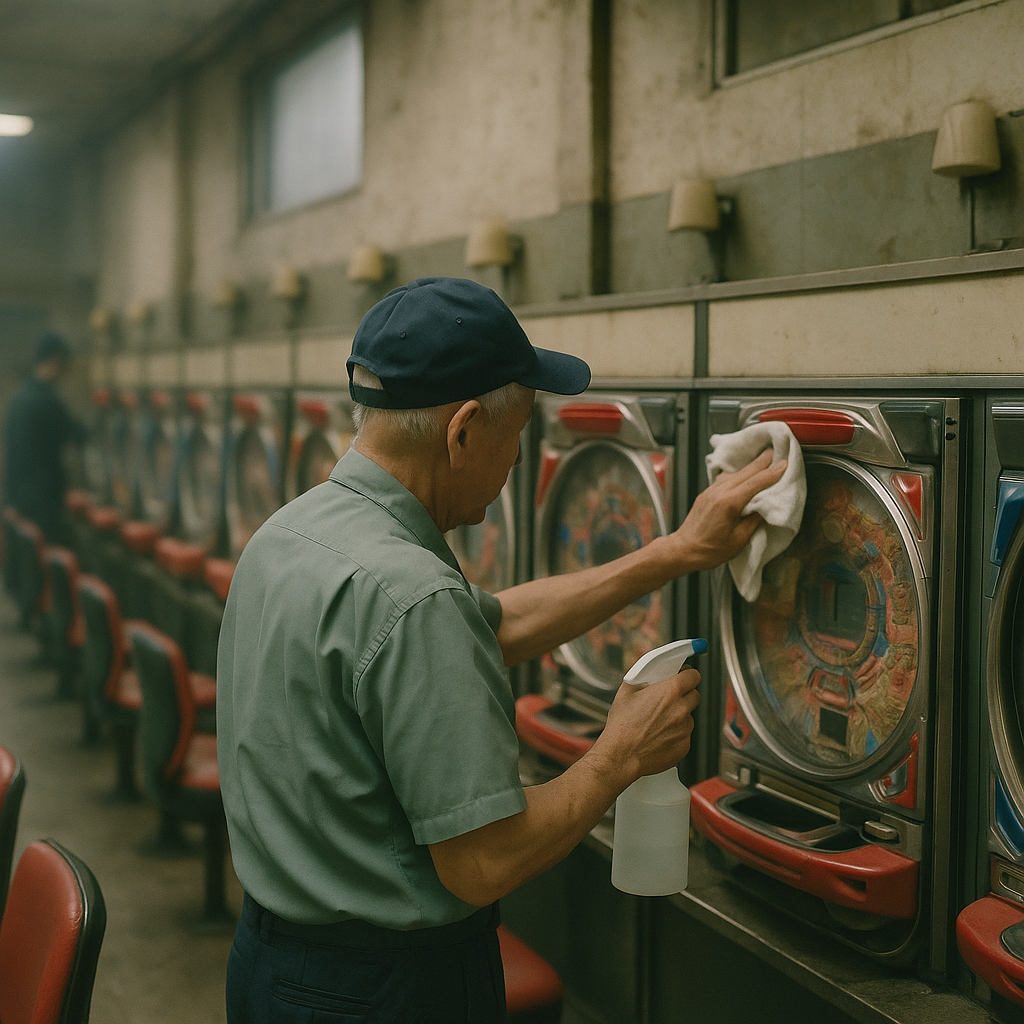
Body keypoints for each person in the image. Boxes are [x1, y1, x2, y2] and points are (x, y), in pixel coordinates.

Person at [217, 277, 785, 1024]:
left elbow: (493, 624)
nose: (518, 460)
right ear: (461, 432)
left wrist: (674, 553)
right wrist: (621, 753)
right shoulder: (413, 594)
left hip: (273, 965)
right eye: (516, 434)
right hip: (382, 993)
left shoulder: (291, 535)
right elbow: (485, 863)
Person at [3, 332, 84, 545]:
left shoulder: (20, 397)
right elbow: (78, 435)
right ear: (55, 361)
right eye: (64, 365)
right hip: (43, 501)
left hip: (19, 497)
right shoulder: (46, 401)